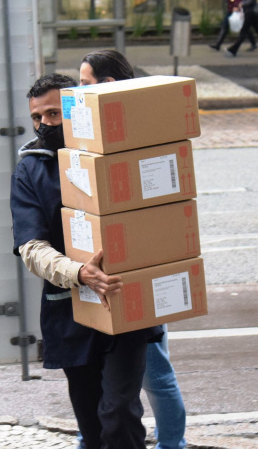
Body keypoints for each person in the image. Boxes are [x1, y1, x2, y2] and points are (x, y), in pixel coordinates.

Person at [10, 74, 162, 449]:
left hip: (124, 306)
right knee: (92, 426)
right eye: (37, 116)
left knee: (119, 413)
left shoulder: (113, 152)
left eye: (54, 112)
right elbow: (31, 246)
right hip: (70, 314)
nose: (45, 123)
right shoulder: (30, 169)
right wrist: (79, 273)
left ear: (75, 111)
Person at [78, 49, 188, 449]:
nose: (78, 93)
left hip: (138, 279)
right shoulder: (102, 132)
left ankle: (172, 445)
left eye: (85, 84)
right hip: (114, 278)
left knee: (155, 376)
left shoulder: (134, 132)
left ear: (107, 86)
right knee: (108, 384)